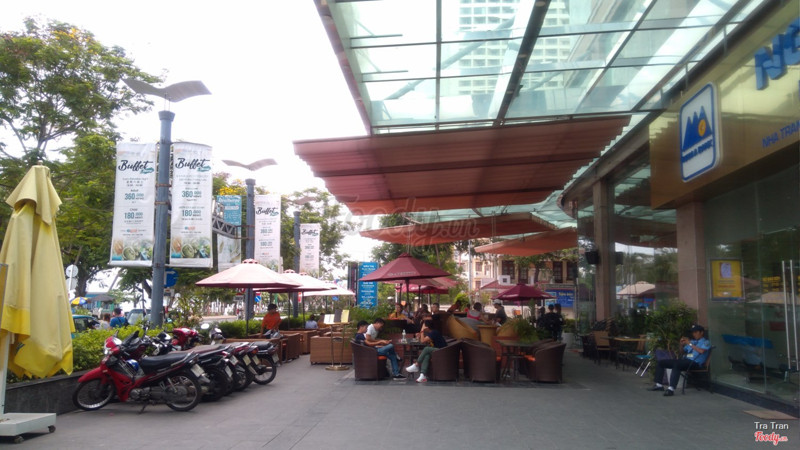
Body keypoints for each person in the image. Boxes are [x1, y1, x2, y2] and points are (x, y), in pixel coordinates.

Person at [649, 325, 711, 396]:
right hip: (685, 361)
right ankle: (659, 385)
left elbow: (701, 351)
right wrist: (681, 345)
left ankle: (671, 389)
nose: (694, 334)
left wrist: (689, 343)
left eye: (696, 332)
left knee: (677, 365)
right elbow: (682, 352)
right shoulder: (693, 342)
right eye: (693, 332)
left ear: (701, 332)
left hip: (695, 363)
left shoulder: (706, 342)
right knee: (661, 362)